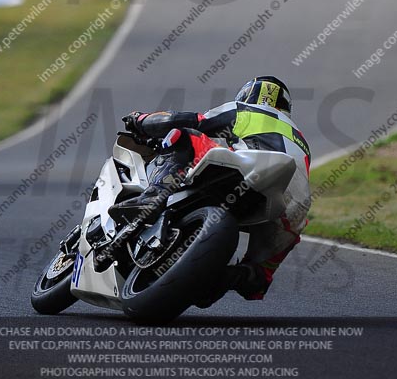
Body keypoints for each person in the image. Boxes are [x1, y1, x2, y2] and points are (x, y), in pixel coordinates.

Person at [109, 76, 311, 303]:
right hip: (294, 208)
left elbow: (189, 120)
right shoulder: (299, 138)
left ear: (247, 95)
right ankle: (234, 277)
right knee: (257, 276)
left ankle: (153, 196)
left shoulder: (247, 111)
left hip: (256, 172)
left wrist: (141, 120)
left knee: (184, 135)